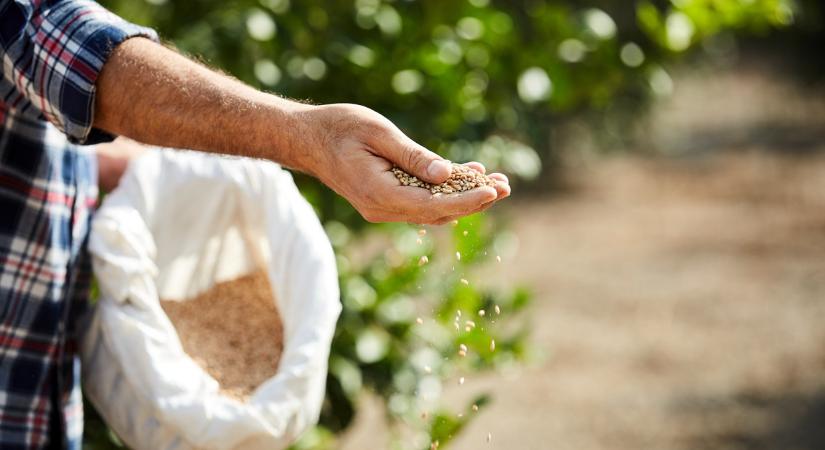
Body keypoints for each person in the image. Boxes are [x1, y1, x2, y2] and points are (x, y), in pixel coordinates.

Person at [0, 0, 510, 448]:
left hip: (35, 396)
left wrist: (128, 168)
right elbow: (61, 42)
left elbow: (26, 109)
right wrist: (306, 137)